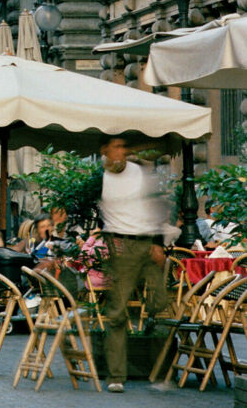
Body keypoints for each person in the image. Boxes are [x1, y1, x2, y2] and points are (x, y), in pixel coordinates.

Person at [97, 136, 171, 393]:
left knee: (161, 303)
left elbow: (155, 206)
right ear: (104, 151)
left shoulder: (139, 172)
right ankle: (116, 375)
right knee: (117, 313)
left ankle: (156, 362)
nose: (120, 153)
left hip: (146, 244)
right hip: (121, 246)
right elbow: (100, 214)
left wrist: (158, 243)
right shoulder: (100, 178)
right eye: (115, 148)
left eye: (123, 147)